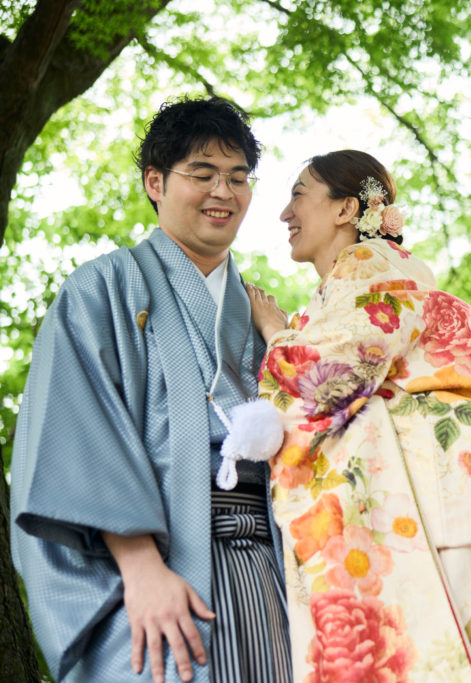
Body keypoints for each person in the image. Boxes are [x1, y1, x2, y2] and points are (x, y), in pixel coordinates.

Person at [247, 150, 471, 681]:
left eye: (299, 193)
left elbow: (331, 377)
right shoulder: (359, 283)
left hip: (444, 514)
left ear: (345, 209)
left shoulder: (372, 270)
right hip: (453, 505)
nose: (285, 213)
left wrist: (276, 335)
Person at [10, 96, 291, 683]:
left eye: (239, 177)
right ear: (156, 182)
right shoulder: (102, 288)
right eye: (203, 174)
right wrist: (140, 569)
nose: (224, 191)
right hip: (158, 566)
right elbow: (78, 429)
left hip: (272, 568)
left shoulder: (265, 316)